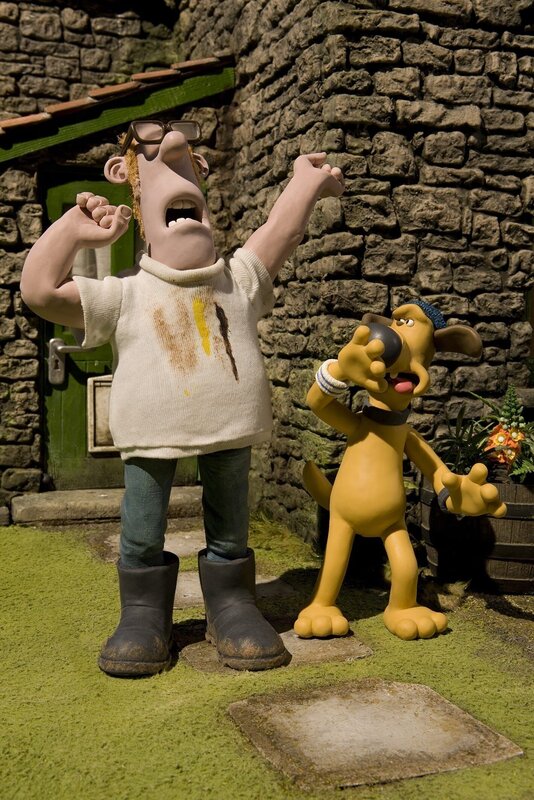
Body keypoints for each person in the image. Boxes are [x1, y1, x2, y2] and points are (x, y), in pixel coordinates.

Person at [20, 118, 344, 676]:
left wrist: (304, 182)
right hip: (150, 433)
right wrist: (73, 230)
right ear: (135, 198)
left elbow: (280, 232)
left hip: (229, 426)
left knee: (230, 520)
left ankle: (232, 602)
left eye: (185, 151)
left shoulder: (238, 279)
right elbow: (40, 291)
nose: (172, 144)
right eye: (153, 146)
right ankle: (143, 611)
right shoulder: (124, 295)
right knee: (143, 522)